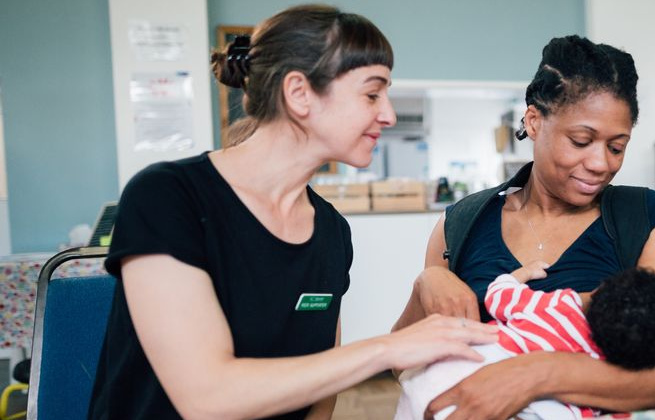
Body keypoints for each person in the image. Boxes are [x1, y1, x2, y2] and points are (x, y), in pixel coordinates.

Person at [88, 5, 497, 419]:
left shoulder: (331, 231)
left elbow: (320, 397)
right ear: (299, 93)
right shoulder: (167, 196)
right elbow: (207, 398)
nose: (388, 115)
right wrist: (388, 348)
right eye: (372, 94)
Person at [392, 35, 655, 418]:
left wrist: (535, 375)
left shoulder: (641, 217)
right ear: (534, 121)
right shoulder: (462, 223)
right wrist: (426, 283)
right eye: (581, 141)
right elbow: (403, 365)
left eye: (616, 147)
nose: (601, 164)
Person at [395, 262, 655, 419]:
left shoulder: (563, 305)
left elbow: (500, 297)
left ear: (598, 291)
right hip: (503, 404)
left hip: (441, 373)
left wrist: (518, 276)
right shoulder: (600, 371)